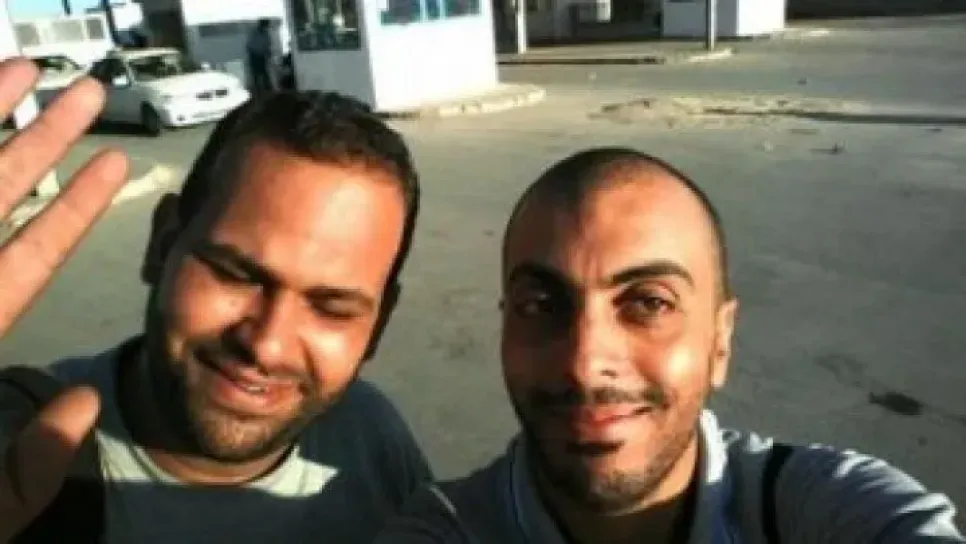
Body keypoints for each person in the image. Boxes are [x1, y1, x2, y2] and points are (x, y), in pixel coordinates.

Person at [375, 148, 965, 543]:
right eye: (541, 305)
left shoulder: (824, 509)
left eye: (649, 303)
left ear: (720, 341)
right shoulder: (447, 528)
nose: (585, 363)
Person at [0, 55, 432, 543]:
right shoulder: (32, 447)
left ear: (378, 324)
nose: (266, 346)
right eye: (234, 275)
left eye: (331, 309)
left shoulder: (370, 436)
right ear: (163, 244)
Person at [246, 18, 278, 95]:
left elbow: (268, 44)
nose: (266, 27)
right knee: (256, 74)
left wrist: (268, 52)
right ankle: (258, 91)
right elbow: (249, 45)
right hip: (254, 55)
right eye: (266, 25)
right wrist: (260, 51)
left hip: (262, 56)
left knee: (264, 73)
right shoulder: (254, 32)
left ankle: (268, 89)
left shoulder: (266, 33)